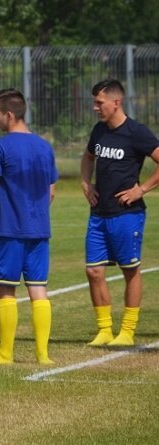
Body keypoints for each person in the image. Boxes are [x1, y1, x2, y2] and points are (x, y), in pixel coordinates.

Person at [0, 88, 57, 365]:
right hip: (40, 230)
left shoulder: (1, 147)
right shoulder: (45, 146)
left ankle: (6, 353)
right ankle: (43, 355)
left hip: (10, 230)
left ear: (9, 115)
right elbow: (51, 191)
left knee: (6, 291)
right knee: (38, 290)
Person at [81, 79, 159, 347]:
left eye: (99, 102)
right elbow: (88, 157)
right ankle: (104, 329)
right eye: (94, 102)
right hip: (98, 213)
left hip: (127, 214)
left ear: (116, 102)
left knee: (130, 270)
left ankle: (127, 331)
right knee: (93, 272)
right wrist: (85, 183)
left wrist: (142, 189)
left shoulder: (136, 132)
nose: (95, 107)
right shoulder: (99, 131)